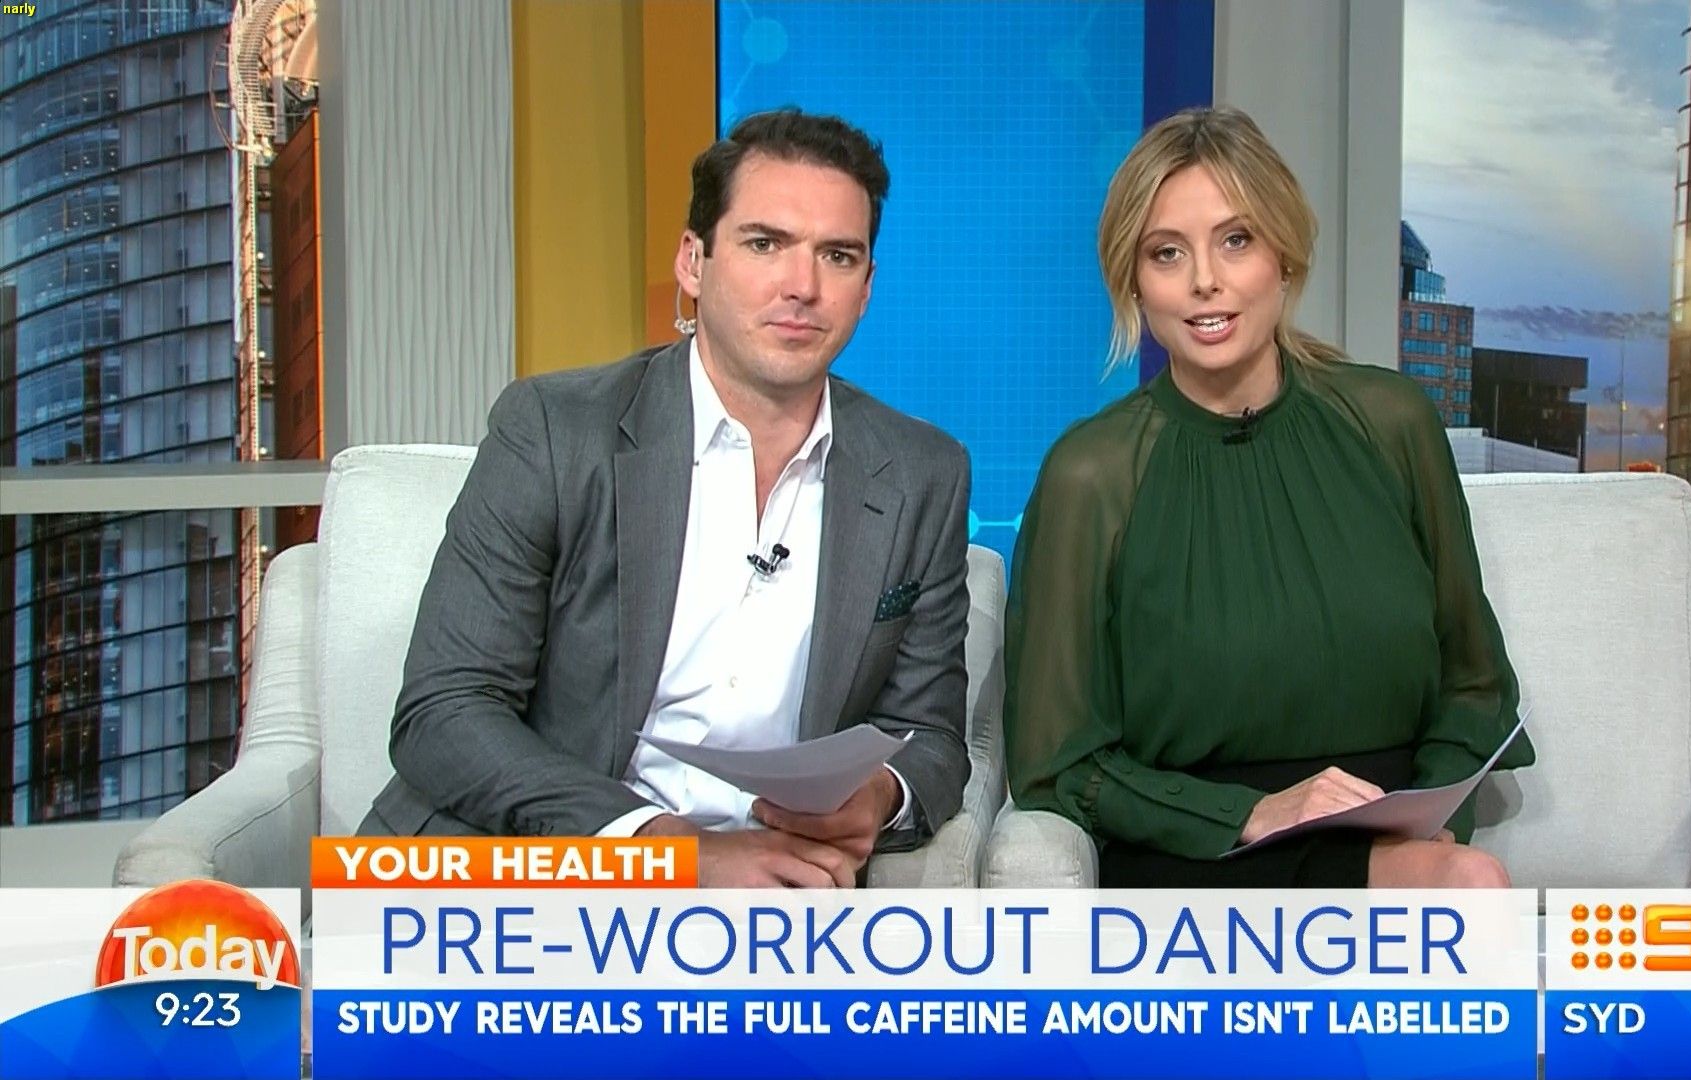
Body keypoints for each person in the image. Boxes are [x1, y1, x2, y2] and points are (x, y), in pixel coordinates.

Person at [360, 109, 973, 889]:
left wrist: (879, 795)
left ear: (866, 288)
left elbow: (928, 736)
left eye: (837, 256)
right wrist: (661, 849)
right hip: (538, 869)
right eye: (765, 244)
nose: (803, 286)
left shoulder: (921, 472)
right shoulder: (554, 431)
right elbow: (445, 711)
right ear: (693, 262)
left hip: (773, 884)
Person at [1003, 106, 1534, 889]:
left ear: (1283, 255)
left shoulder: (1393, 423)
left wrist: (1420, 819)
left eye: (1236, 240)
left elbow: (1476, 685)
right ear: (1134, 282)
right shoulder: (1091, 473)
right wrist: (1251, 813)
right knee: (1469, 888)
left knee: (1462, 882)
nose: (1204, 280)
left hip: (1398, 828)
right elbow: (1057, 761)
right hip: (1194, 850)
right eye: (1166, 252)